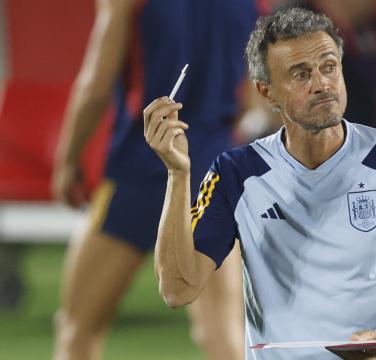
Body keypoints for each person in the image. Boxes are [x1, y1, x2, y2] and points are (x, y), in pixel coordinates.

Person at [145, 7, 376, 359]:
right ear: (266, 92)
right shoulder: (236, 174)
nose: (322, 84)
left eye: (329, 67)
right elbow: (178, 289)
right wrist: (177, 174)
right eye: (301, 75)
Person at [51, 0, 256, 358]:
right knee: (223, 335)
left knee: (77, 328)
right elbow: (251, 100)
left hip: (138, 169)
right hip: (211, 172)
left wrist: (67, 162)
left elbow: (95, 87)